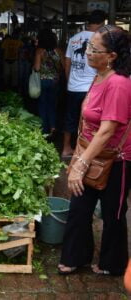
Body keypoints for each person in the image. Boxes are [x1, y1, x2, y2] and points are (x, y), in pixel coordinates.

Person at [58, 25, 131, 276]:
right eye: (88, 47)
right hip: (90, 152)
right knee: (79, 207)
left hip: (116, 160)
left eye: (94, 49)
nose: (87, 53)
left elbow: (107, 130)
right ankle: (75, 256)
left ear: (111, 56)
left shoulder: (119, 84)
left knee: (113, 214)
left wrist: (80, 164)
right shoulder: (98, 76)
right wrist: (80, 155)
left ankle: (113, 262)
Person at [62, 10, 106, 157]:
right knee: (90, 120)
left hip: (73, 87)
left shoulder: (74, 38)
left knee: (70, 117)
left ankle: (66, 148)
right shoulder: (99, 39)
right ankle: (85, 151)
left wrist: (70, 81)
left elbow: (67, 63)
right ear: (101, 23)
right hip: (90, 88)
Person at [34, 29, 64, 135]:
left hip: (42, 81)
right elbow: (63, 67)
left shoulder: (39, 51)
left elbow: (37, 68)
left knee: (42, 105)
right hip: (55, 81)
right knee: (52, 105)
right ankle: (53, 127)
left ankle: (44, 129)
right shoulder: (58, 51)